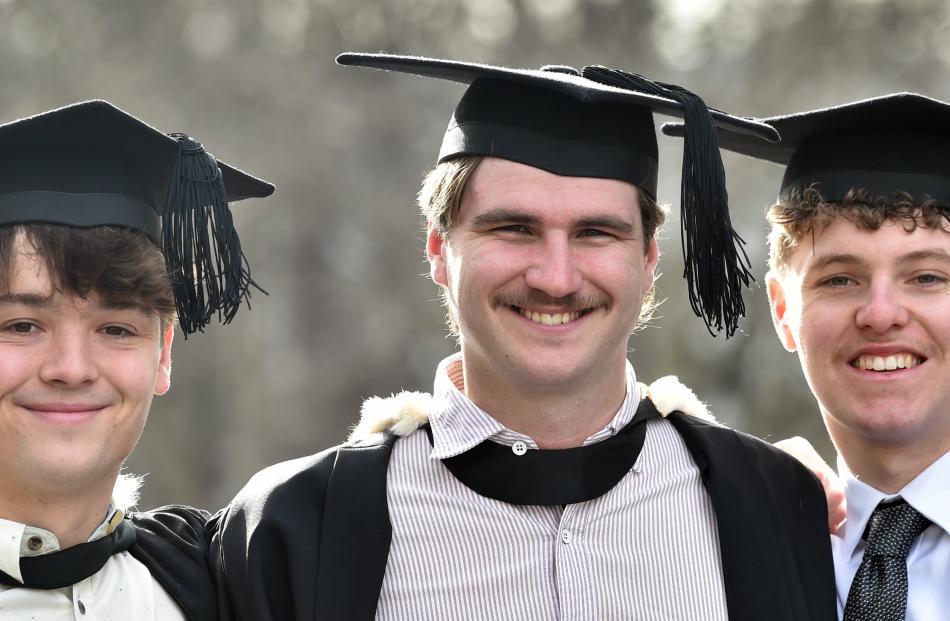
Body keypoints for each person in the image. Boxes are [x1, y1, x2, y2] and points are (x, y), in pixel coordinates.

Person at [212, 54, 836, 621]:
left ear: (648, 263)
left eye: (596, 233)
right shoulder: (294, 532)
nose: (556, 278)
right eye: (513, 228)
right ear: (438, 248)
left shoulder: (774, 507)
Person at [667, 92, 950, 620]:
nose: (881, 314)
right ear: (780, 311)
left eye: (928, 277)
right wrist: (755, 483)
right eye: (840, 279)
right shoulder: (719, 546)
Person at [0, 99, 273, 619]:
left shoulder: (220, 586)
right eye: (22, 325)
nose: (72, 367)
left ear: (164, 354)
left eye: (116, 329)